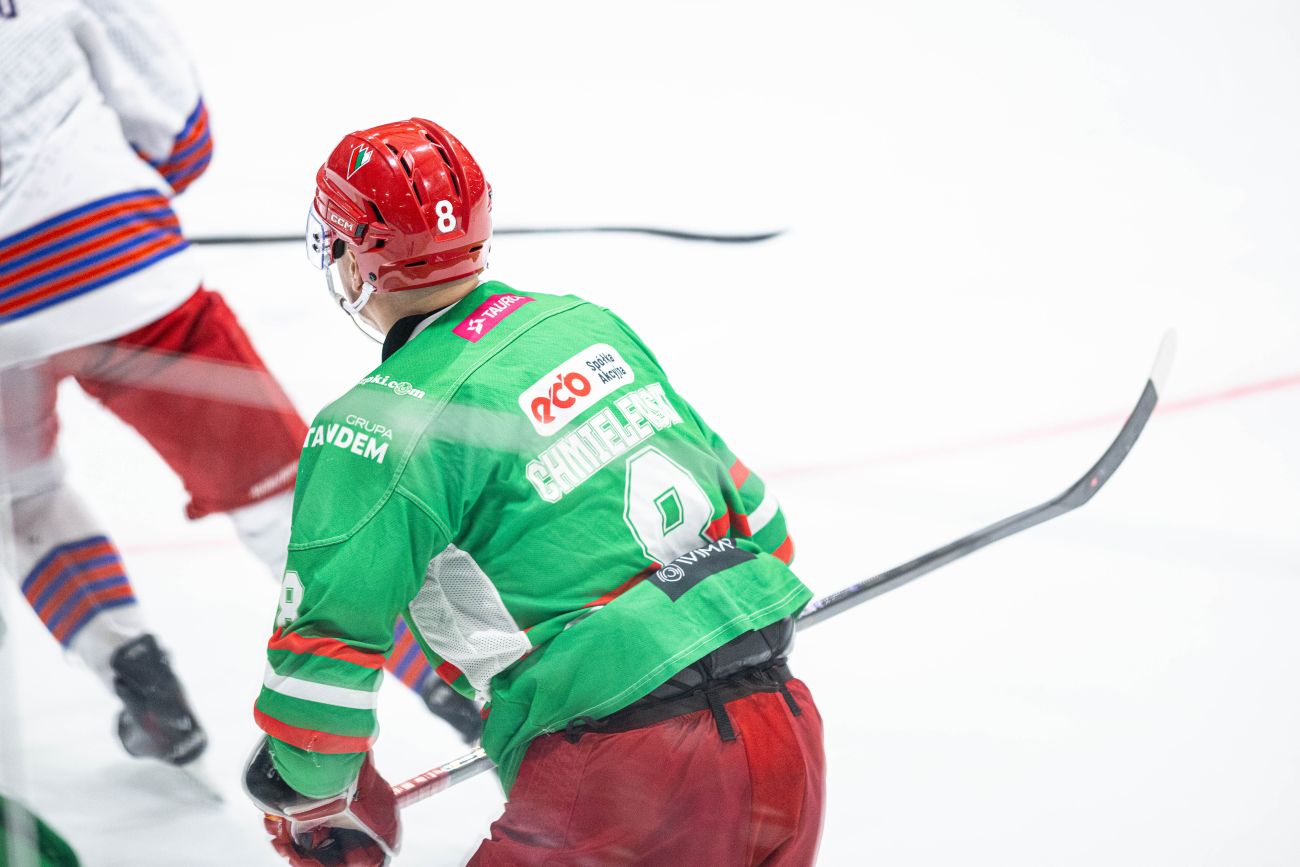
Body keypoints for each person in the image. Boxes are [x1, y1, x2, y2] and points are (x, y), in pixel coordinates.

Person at [244, 118, 825, 865]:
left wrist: (313, 793)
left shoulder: (376, 423)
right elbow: (767, 530)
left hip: (624, 776)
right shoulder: (587, 326)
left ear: (354, 258)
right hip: (784, 738)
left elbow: (325, 655)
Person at [0, 1, 479, 768]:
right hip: (124, 265)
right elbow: (181, 137)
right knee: (284, 502)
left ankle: (135, 672)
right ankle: (457, 686)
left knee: (24, 494)